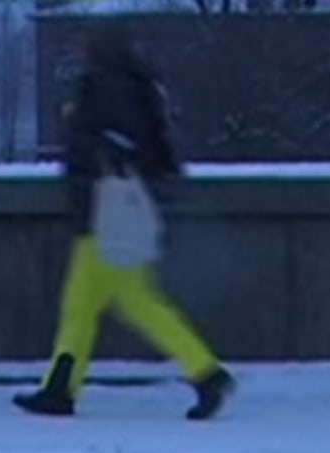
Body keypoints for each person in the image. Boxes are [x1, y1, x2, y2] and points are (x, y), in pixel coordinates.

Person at [14, 25, 235, 421]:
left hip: (103, 213)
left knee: (131, 304)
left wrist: (79, 134)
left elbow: (95, 144)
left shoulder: (104, 88)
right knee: (88, 305)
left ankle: (206, 373)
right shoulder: (137, 86)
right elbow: (152, 149)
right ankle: (60, 388)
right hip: (116, 211)